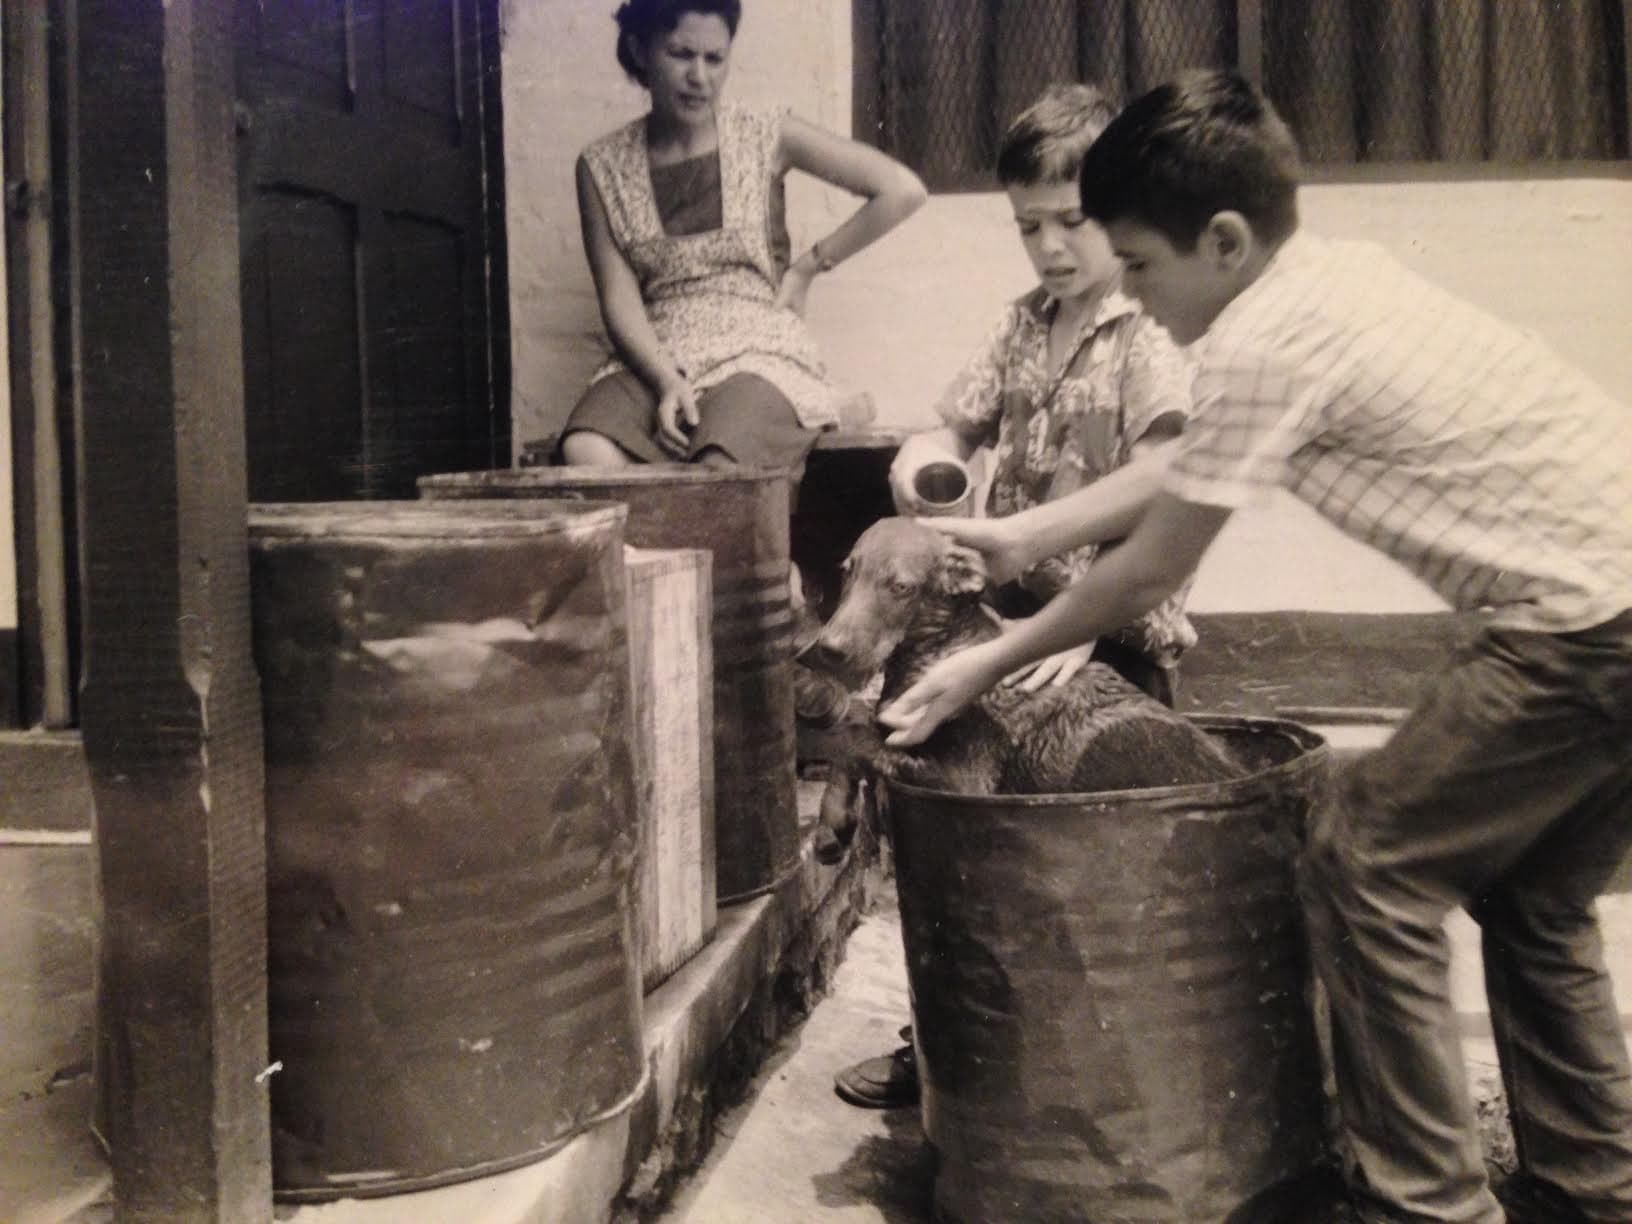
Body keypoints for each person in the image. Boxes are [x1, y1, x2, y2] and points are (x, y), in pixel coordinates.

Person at [878, 69, 1632, 1224]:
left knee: (1361, 860)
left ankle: (1425, 1207)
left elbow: (1151, 566)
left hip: (1576, 634)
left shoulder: (1257, 344)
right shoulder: (1333, 281)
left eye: (1139, 265)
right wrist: (1025, 528)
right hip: (1610, 610)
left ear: (1223, 241)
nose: (1133, 289)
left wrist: (986, 657)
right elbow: (1180, 483)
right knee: (1535, 900)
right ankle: (1597, 1193)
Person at [833, 82, 1198, 1111]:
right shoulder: (1019, 329)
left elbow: (1164, 492)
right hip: (1003, 634)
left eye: (1070, 221)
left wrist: (1082, 633)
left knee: (1102, 874)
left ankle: (1100, 1078)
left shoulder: (1148, 334)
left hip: (1111, 648)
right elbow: (951, 429)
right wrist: (930, 467)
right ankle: (946, 1047)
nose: (1047, 247)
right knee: (968, 847)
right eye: (1025, 225)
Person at [560, 0, 926, 473]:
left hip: (756, 349)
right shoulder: (601, 167)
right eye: (680, 54)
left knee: (721, 460)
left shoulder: (764, 135)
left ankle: (816, 409)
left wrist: (810, 265)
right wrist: (666, 380)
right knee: (586, 450)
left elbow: (902, 189)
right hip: (656, 351)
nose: (699, 77)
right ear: (640, 49)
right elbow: (619, 299)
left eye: (715, 59)